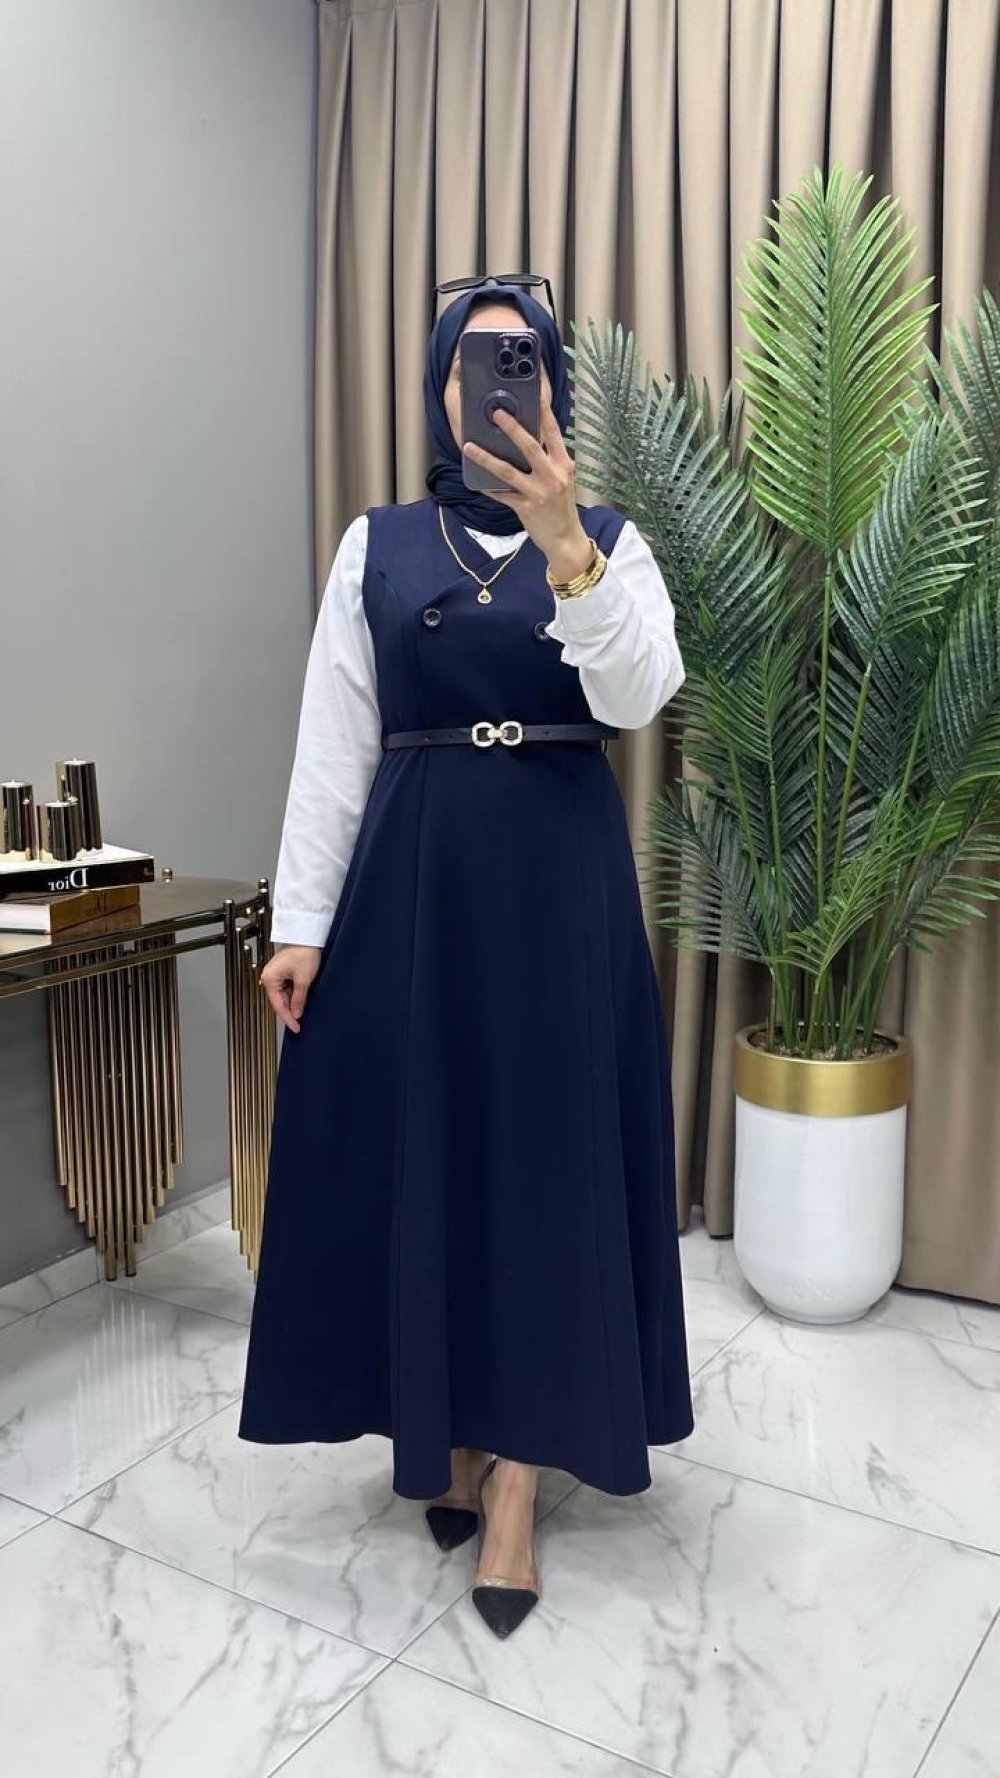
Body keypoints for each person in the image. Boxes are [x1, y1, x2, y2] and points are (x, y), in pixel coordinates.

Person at [237, 277, 695, 1640]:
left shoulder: (610, 540)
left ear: (552, 384)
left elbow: (640, 696)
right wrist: (301, 923)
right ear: (441, 388)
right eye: (474, 362)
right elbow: (335, 738)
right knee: (424, 1159)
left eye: (523, 359)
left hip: (557, 892)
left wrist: (568, 548)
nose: (499, 382)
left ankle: (517, 1488)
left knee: (545, 1174)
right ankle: (439, 1426)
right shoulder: (376, 545)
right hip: (414, 888)